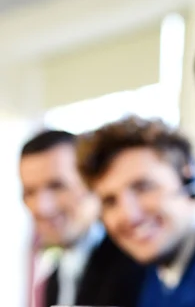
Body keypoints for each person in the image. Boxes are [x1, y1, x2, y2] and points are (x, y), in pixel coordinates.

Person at [75, 116, 195, 307]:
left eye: (143, 187)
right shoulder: (155, 263)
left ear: (186, 175)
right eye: (110, 202)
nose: (129, 215)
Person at [19, 129, 144, 307]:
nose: (42, 207)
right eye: (29, 192)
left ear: (93, 185)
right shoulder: (53, 281)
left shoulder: (137, 267)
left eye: (57, 186)